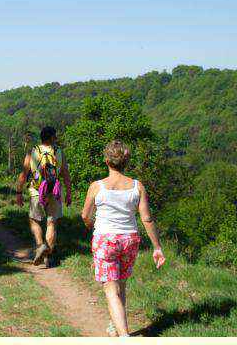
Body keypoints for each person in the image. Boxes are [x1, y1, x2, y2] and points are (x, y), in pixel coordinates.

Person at [81, 140, 166, 337]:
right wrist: (157, 247)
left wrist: (90, 226)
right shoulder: (137, 186)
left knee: (111, 290)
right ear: (126, 161)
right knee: (121, 284)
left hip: (106, 239)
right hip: (129, 240)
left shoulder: (97, 186)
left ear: (106, 160)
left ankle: (124, 336)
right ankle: (115, 326)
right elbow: (147, 218)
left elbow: (85, 215)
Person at [15, 126, 72, 268]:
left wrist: (19, 192)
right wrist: (69, 192)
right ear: (52, 138)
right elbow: (65, 173)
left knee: (34, 220)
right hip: (54, 191)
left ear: (41, 137)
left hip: (36, 191)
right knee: (51, 223)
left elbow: (24, 173)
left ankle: (40, 245)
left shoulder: (33, 151)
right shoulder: (59, 151)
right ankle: (47, 256)